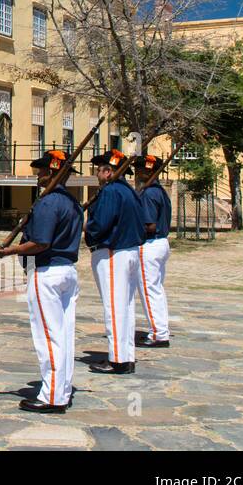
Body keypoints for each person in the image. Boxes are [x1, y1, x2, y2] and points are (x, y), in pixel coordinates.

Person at [0, 149, 84, 414]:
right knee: (64, 335)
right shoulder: (72, 202)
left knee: (49, 337)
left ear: (54, 172)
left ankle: (52, 396)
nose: (38, 174)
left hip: (47, 273)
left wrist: (9, 251)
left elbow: (40, 242)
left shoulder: (48, 202)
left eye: (43, 170)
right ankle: (62, 388)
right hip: (67, 270)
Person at [85, 149, 145, 375]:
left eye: (99, 170)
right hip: (128, 250)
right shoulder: (128, 191)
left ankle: (118, 359)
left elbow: (100, 224)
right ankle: (126, 355)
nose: (97, 174)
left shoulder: (110, 192)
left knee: (114, 307)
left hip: (113, 252)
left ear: (108, 172)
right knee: (126, 307)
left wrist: (87, 231)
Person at [134, 155, 173, 348]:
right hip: (160, 243)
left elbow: (149, 225)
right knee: (156, 290)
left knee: (149, 290)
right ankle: (161, 328)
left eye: (140, 169)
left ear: (148, 171)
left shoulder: (149, 194)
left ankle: (158, 334)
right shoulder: (159, 191)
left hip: (150, 244)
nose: (136, 172)